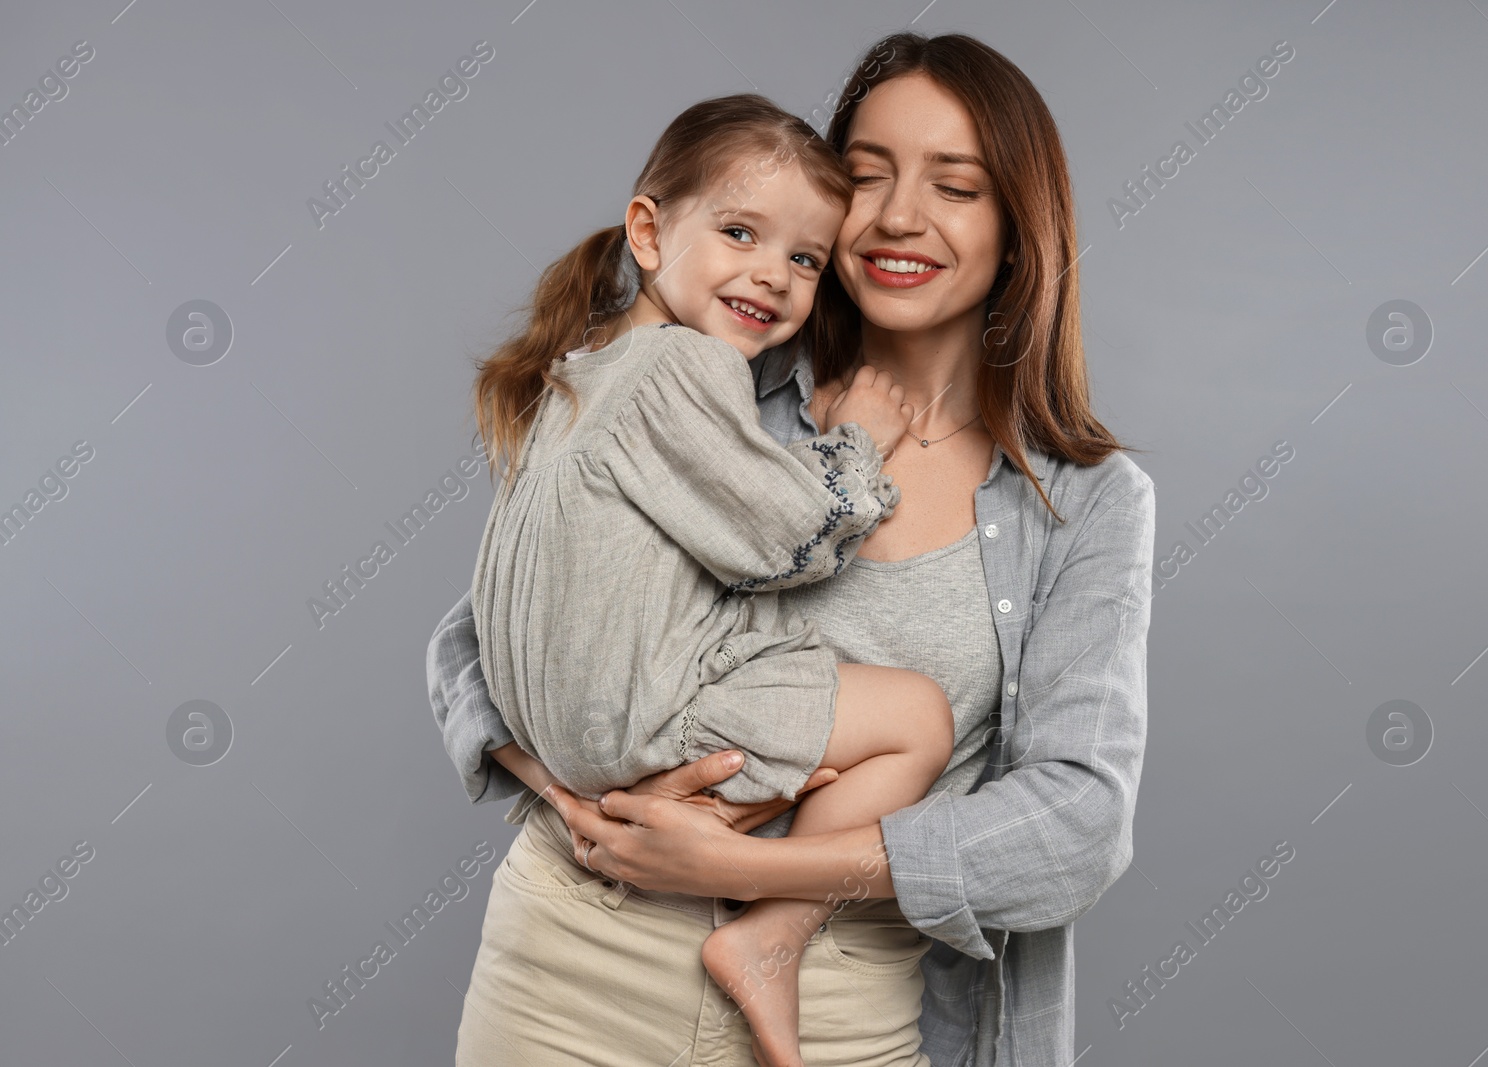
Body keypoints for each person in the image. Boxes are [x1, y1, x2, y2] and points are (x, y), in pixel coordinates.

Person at [430, 30, 1156, 1067]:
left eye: (955, 187)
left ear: (1017, 229)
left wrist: (776, 874)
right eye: (867, 177)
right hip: (572, 965)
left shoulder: (1081, 502)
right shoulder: (717, 385)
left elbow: (1076, 823)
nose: (899, 215)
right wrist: (590, 805)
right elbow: (473, 643)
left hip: (835, 1014)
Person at [467, 92, 956, 1066]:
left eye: (805, 259)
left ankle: (760, 915)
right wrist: (860, 445)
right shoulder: (681, 371)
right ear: (647, 231)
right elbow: (784, 538)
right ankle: (772, 927)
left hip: (567, 746)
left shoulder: (575, 373)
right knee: (917, 717)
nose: (772, 276)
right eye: (740, 232)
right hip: (650, 724)